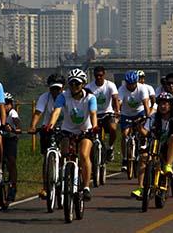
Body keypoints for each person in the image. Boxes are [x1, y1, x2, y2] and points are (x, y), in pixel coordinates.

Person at [46, 69, 97, 201]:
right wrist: (50, 125)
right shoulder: (63, 96)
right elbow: (56, 112)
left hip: (85, 130)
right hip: (67, 130)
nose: (74, 86)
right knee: (65, 155)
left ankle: (86, 187)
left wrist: (95, 127)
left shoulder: (90, 98)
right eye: (71, 84)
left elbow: (93, 114)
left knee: (84, 155)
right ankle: (63, 177)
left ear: (83, 84)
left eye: (77, 83)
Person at [131, 92, 173, 199]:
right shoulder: (153, 118)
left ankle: (168, 166)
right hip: (154, 146)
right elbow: (146, 133)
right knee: (143, 158)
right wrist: (139, 127)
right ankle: (141, 187)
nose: (163, 106)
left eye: (166, 104)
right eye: (160, 104)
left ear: (171, 105)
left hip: (169, 149)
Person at [28, 73, 66, 199]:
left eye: (58, 89)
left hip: (65, 127)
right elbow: (38, 112)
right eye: (53, 88)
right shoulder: (45, 97)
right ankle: (45, 186)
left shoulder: (67, 97)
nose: (55, 91)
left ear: (63, 88)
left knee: (66, 153)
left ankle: (66, 173)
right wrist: (33, 126)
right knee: (46, 156)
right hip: (47, 127)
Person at [118, 71, 151, 171]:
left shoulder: (142, 88)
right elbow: (119, 103)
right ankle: (124, 158)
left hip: (139, 112)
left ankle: (143, 144)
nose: (131, 86)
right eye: (129, 84)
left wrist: (147, 117)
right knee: (125, 134)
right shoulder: (122, 89)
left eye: (133, 84)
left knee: (141, 130)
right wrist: (117, 114)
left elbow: (146, 104)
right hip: (126, 113)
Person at [86, 66, 120, 161]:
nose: (99, 77)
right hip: (94, 114)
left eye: (100, 75)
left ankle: (110, 147)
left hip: (107, 113)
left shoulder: (110, 85)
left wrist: (117, 111)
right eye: (97, 75)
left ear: (104, 75)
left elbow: (115, 98)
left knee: (113, 128)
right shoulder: (89, 87)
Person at [3, 92, 21, 202]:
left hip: (11, 138)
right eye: (3, 103)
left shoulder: (12, 113)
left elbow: (17, 121)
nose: (5, 105)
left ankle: (13, 186)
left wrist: (16, 128)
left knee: (11, 161)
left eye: (7, 103)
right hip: (0, 137)